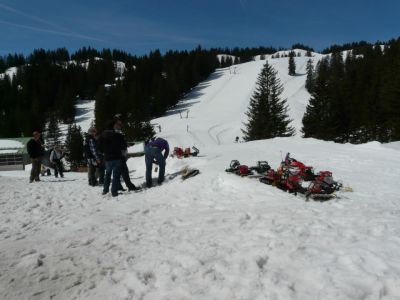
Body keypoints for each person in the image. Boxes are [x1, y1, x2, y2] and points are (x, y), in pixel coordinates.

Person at [98, 119, 126, 197]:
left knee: (107, 174)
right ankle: (114, 192)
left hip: (107, 158)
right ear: (113, 126)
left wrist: (104, 151)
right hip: (117, 157)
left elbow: (99, 148)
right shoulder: (118, 135)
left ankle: (105, 190)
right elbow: (123, 146)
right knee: (116, 175)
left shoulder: (102, 136)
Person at [112, 116, 140, 191]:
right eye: (119, 123)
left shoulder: (116, 132)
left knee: (118, 172)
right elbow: (119, 144)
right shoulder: (116, 133)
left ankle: (118, 186)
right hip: (119, 155)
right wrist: (125, 145)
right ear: (116, 124)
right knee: (124, 172)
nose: (121, 125)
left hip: (117, 155)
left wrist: (126, 144)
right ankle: (130, 186)